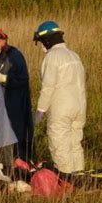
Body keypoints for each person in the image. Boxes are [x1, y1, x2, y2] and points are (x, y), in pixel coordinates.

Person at [33, 21, 86, 174]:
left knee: (60, 147)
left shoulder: (53, 56)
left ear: (47, 40)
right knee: (75, 145)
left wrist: (40, 110)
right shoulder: (74, 55)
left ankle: (67, 182)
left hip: (61, 109)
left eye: (41, 41)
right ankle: (80, 180)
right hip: (79, 108)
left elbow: (48, 87)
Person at [0, 28, 34, 162]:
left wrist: (6, 80)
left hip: (14, 105)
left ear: (3, 41)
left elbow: (23, 79)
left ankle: (18, 165)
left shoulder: (15, 56)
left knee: (15, 136)